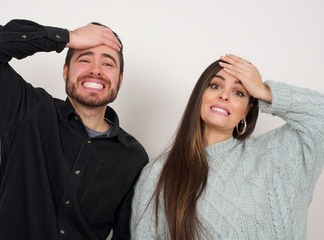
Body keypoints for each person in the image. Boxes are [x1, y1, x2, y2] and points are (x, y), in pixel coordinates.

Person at [0, 19, 148, 240]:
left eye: (108, 64)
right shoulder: (28, 111)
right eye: (84, 59)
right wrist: (67, 37)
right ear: (65, 72)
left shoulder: (133, 157)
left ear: (119, 80)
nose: (96, 71)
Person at [130, 54, 324, 240]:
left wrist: (264, 91)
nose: (224, 96)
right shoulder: (158, 173)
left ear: (246, 110)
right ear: (200, 96)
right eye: (215, 86)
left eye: (239, 92)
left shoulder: (277, 155)